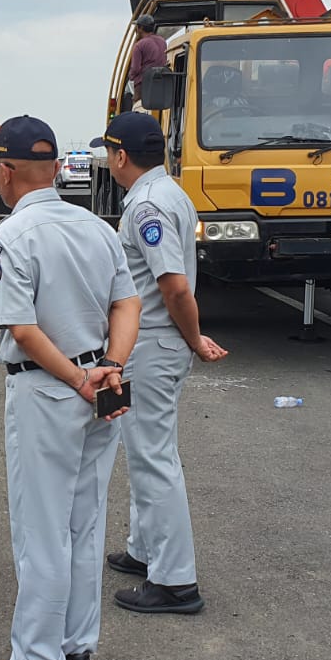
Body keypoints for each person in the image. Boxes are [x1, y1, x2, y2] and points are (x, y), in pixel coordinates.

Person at [0, 114, 141, 660]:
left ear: (5, 171)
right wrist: (110, 367)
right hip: (103, 382)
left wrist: (76, 380)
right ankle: (75, 649)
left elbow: (22, 329)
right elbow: (127, 304)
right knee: (84, 524)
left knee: (41, 529)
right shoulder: (97, 227)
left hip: (49, 389)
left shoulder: (10, 236)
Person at [90, 111, 227, 616]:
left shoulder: (146, 206)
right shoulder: (169, 193)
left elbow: (174, 287)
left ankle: (174, 581)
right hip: (153, 343)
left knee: (153, 458)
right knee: (143, 451)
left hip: (150, 345)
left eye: (109, 152)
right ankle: (144, 550)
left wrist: (193, 338)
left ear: (120, 156)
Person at [125, 14, 167, 111]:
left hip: (143, 84)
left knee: (137, 108)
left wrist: (131, 75)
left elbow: (135, 69)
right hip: (161, 82)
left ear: (141, 28)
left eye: (137, 27)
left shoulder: (139, 45)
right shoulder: (162, 42)